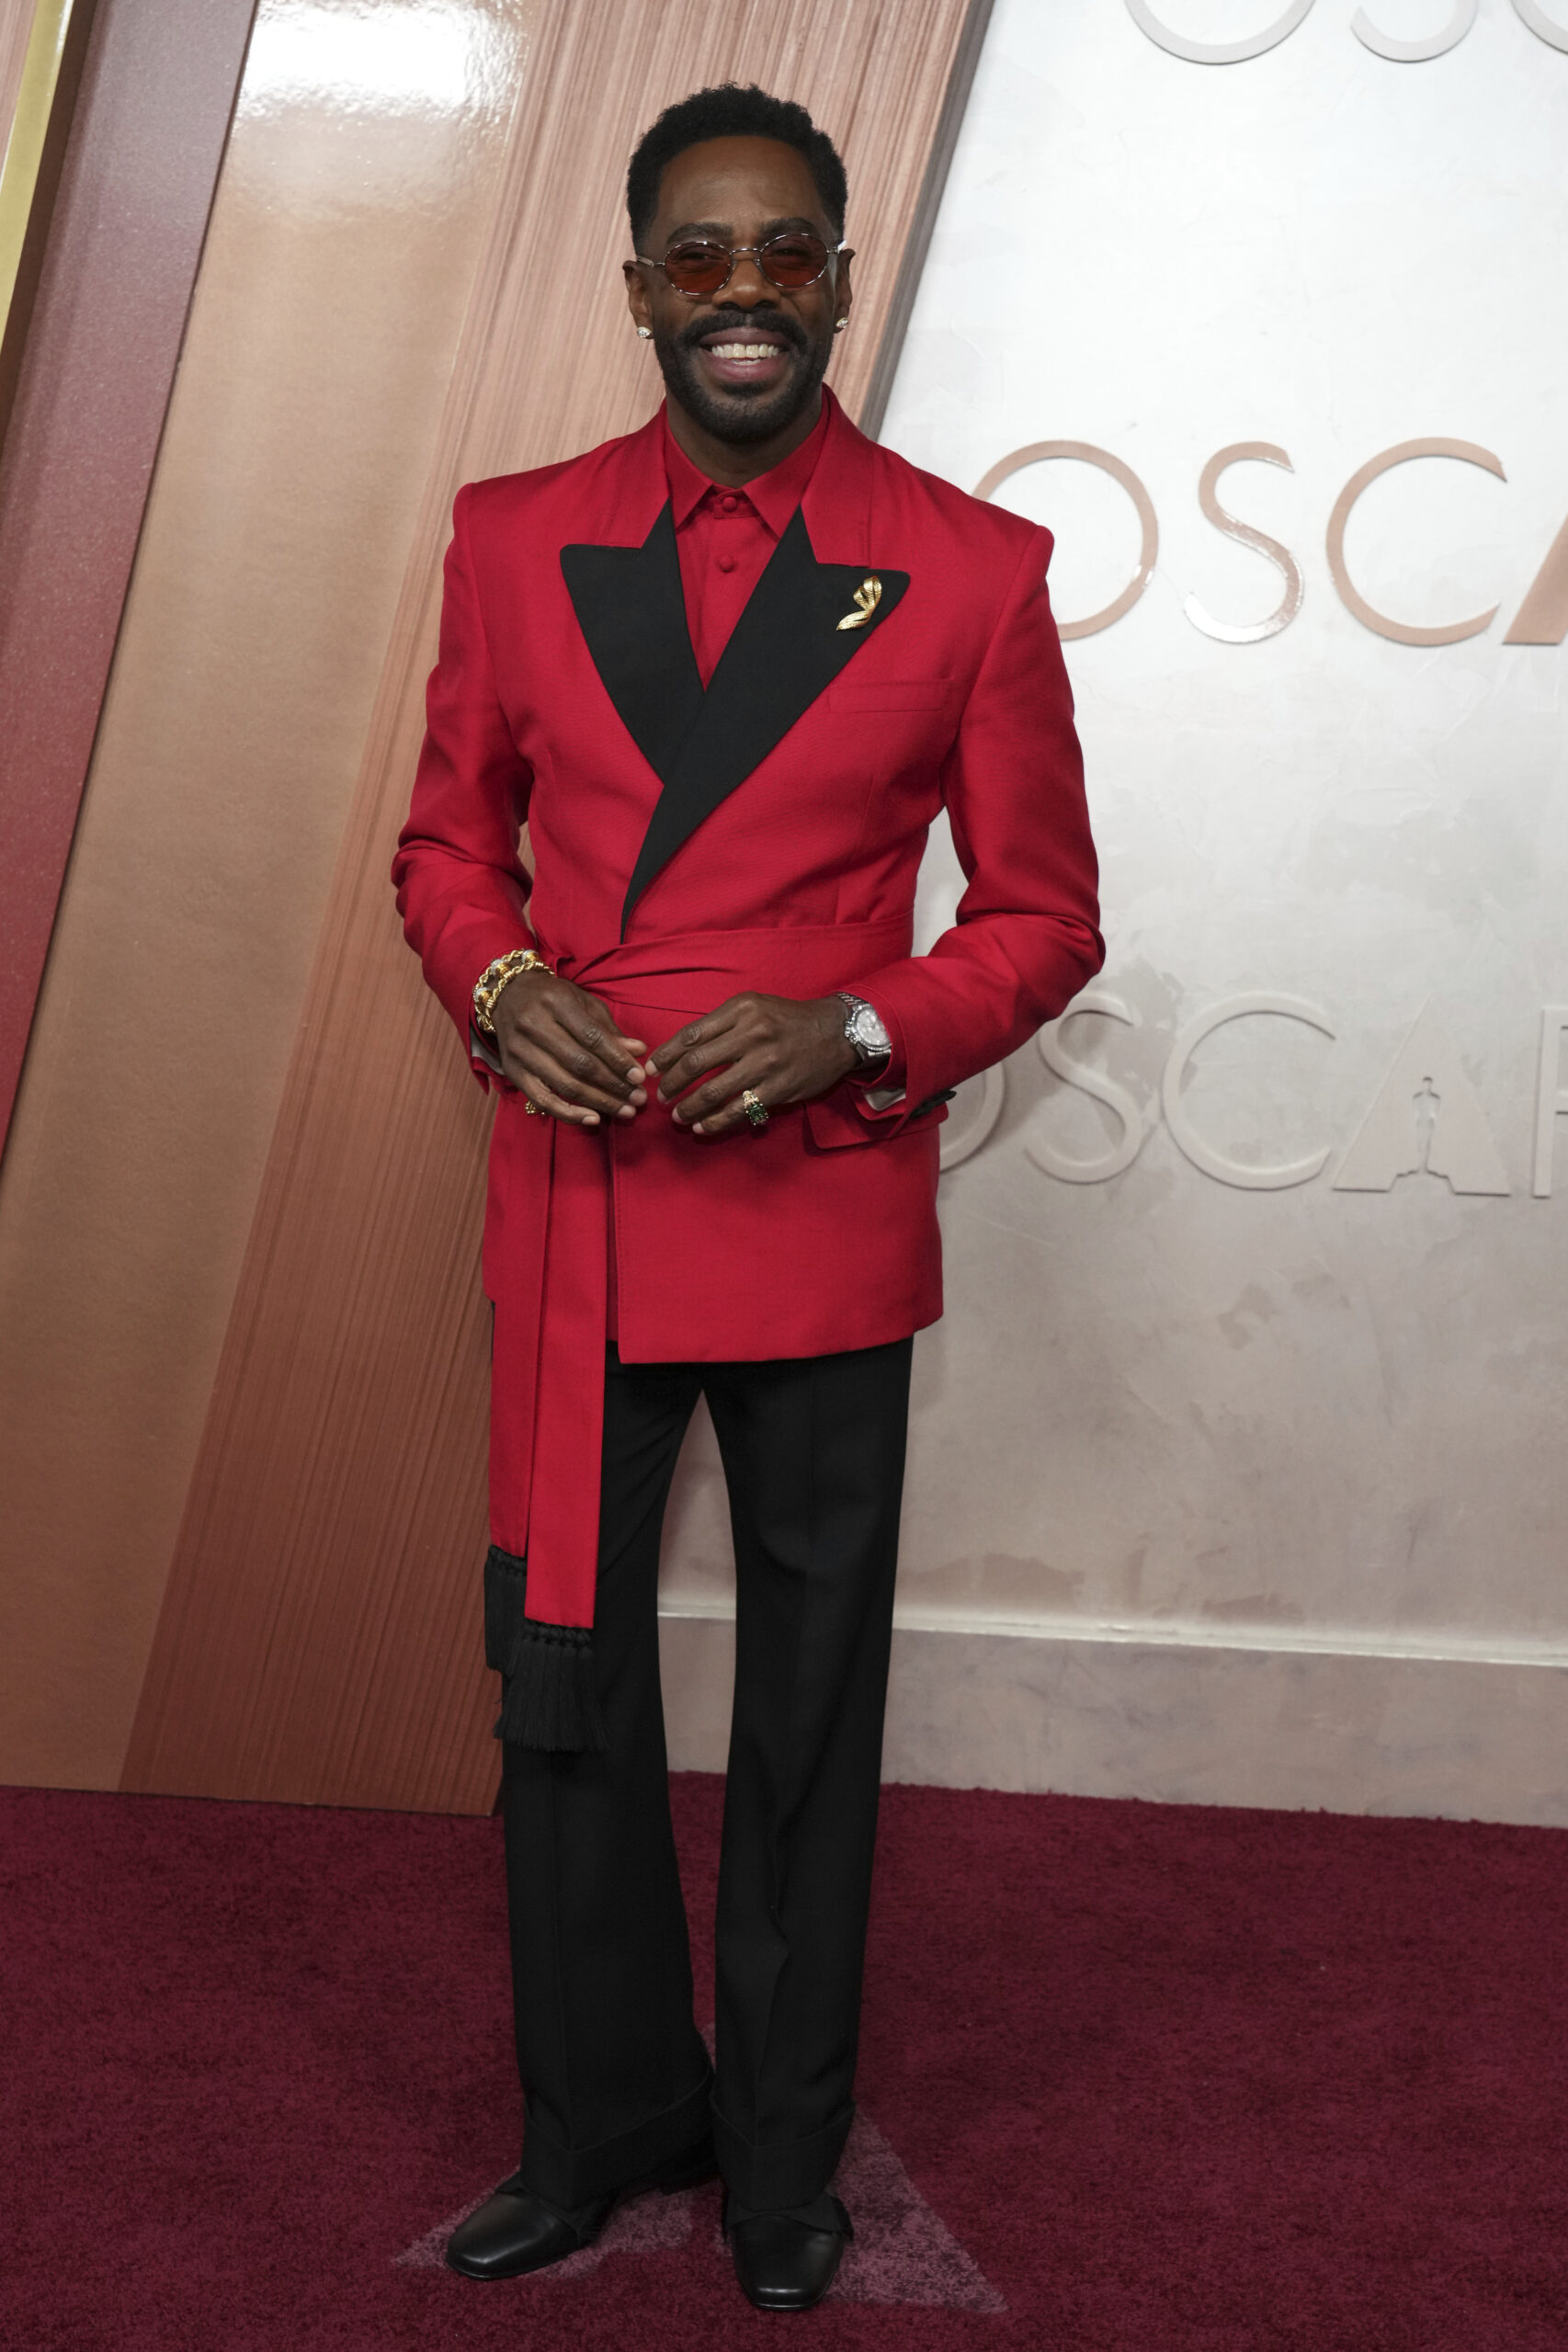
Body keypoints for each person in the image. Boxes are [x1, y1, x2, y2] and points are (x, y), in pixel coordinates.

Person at [392, 81, 1102, 2314]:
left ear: (839, 282)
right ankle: (600, 2122)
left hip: (811, 1204)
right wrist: (501, 982)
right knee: (567, 1695)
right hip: (586, 1206)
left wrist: (863, 1023)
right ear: (635, 287)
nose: (742, 299)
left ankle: (784, 2156)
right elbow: (443, 849)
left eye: (784, 255)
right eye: (697, 258)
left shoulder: (971, 567)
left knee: (808, 1711)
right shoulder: (513, 534)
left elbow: (1047, 913)